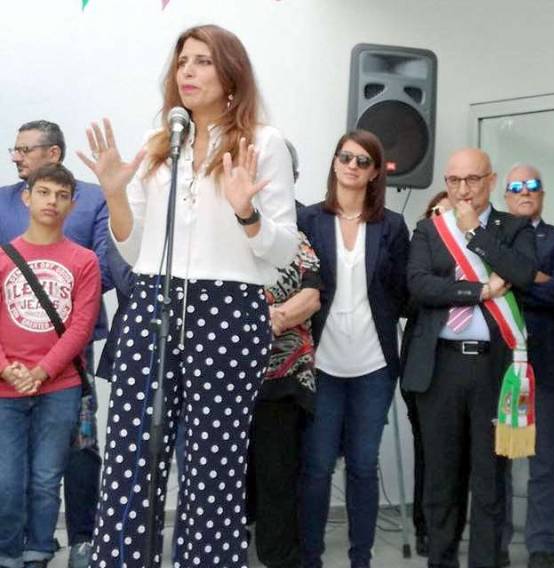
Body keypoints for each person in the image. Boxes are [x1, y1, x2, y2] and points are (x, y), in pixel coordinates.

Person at [79, 24, 299, 567]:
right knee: (130, 458)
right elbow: (132, 252)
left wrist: (245, 211)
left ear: (230, 74)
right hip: (152, 303)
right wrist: (114, 196)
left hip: (228, 309)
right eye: (182, 63)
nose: (188, 73)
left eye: (202, 61)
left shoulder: (261, 143)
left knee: (212, 466)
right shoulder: (162, 144)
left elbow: (280, 255)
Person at [404, 148, 536, 568]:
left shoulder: (512, 228)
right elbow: (420, 286)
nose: (463, 189)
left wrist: (475, 233)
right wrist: (477, 292)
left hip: (492, 368)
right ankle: (441, 561)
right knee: (441, 480)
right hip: (440, 366)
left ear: (491, 181)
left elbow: (523, 273)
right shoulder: (429, 230)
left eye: (473, 180)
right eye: (454, 181)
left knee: (489, 480)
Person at [2, 120, 112, 568]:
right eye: (43, 194)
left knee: (56, 470)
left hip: (63, 375)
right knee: (9, 478)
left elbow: (86, 314)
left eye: (61, 195)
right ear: (28, 198)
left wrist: (45, 370)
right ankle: (8, 550)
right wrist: (8, 366)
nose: (52, 202)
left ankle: (54, 547)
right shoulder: (6, 238)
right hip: (7, 379)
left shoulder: (84, 248)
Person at [297, 130, 409, 568]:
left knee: (363, 465)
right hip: (321, 362)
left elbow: (402, 290)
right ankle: (311, 557)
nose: (352, 166)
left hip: (372, 363)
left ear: (375, 172)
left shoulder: (392, 226)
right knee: (319, 465)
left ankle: (360, 558)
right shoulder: (309, 220)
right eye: (345, 157)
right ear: (334, 163)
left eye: (363, 161)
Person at [500, 164, 554, 568]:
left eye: (533, 185)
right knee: (494, 459)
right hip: (497, 365)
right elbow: (488, 291)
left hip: (547, 364)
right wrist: (537, 279)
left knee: (544, 460)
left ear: (542, 194)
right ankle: (496, 541)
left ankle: (541, 545)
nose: (525, 191)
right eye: (516, 186)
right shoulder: (493, 236)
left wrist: (513, 280)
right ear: (506, 195)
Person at [246, 227, 321, 568]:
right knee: (226, 474)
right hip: (222, 376)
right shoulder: (215, 230)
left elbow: (312, 296)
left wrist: (267, 321)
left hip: (283, 377)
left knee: (278, 475)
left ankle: (278, 559)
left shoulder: (295, 237)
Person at [400, 190, 451, 558]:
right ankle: (425, 526)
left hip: (471, 366)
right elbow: (410, 297)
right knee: (427, 453)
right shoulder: (419, 251)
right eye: (436, 212)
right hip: (424, 365)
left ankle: (452, 526)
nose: (442, 217)